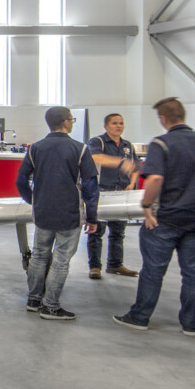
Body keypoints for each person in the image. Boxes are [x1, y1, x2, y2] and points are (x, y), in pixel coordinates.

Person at [111, 98, 195, 335]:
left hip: (166, 217)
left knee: (153, 270)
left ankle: (139, 316)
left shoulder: (161, 143)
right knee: (194, 272)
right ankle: (190, 323)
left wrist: (147, 205)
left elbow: (155, 179)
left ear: (164, 119)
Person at [15, 106, 99, 321]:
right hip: (69, 213)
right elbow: (90, 185)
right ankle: (51, 306)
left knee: (40, 254)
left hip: (42, 212)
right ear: (65, 122)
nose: (72, 122)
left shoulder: (35, 148)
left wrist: (33, 200)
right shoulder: (79, 148)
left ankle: (33, 300)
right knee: (61, 259)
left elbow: (21, 180)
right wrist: (92, 216)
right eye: (72, 119)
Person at [86, 113, 139, 279]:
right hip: (102, 192)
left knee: (118, 232)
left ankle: (115, 264)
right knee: (96, 231)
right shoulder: (98, 142)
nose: (119, 126)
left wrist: (132, 182)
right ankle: (95, 267)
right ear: (106, 126)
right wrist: (121, 162)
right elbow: (95, 157)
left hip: (122, 192)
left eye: (121, 123)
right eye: (115, 123)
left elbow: (135, 166)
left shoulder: (127, 145)